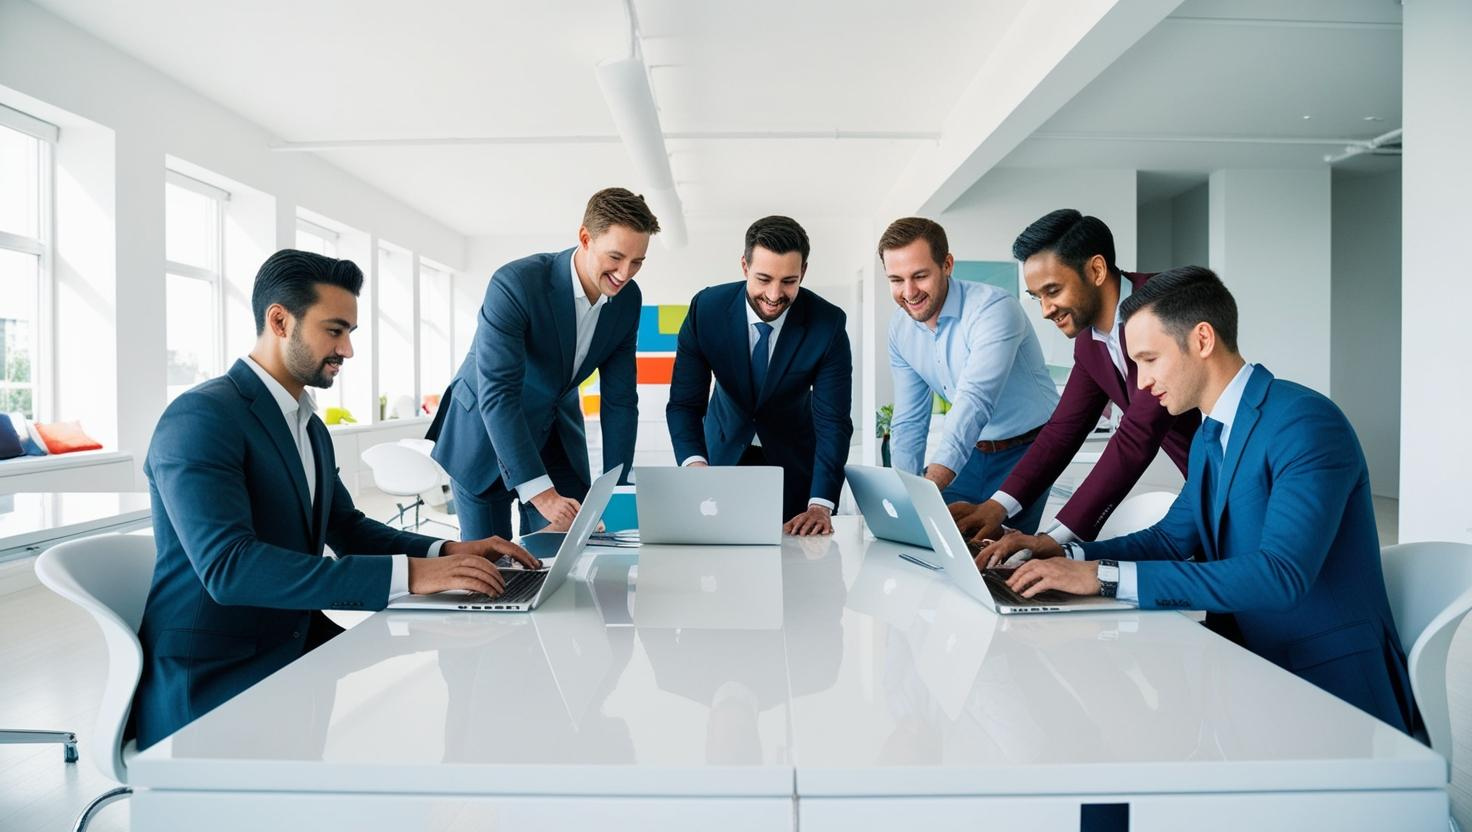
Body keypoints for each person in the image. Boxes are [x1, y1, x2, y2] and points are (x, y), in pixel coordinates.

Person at [133, 250, 537, 750]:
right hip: (213, 685)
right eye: (335, 329)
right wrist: (411, 576)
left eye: (350, 332)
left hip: (296, 654)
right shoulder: (200, 418)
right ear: (279, 320)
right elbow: (229, 569)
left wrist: (446, 553)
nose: (347, 349)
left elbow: (346, 528)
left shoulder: (309, 425)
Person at [989, 266, 1418, 734]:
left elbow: (1280, 575)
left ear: (1203, 339)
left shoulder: (1306, 423)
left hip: (1330, 690)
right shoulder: (1211, 434)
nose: (1142, 383)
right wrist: (1062, 555)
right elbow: (1171, 540)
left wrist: (1103, 578)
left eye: (1150, 360)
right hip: (1247, 671)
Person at [950, 209, 1200, 550]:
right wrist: (997, 506)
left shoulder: (1163, 308)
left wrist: (1054, 538)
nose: (1046, 310)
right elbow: (1062, 431)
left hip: (1241, 475)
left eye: (1053, 290)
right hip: (1203, 483)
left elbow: (1137, 436)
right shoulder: (1088, 341)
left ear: (1096, 270)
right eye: (1038, 297)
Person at [428, 188, 658, 539]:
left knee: (571, 550)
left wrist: (617, 485)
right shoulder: (516, 283)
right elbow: (499, 394)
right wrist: (541, 494)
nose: (625, 273)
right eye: (616, 257)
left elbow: (620, 400)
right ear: (585, 238)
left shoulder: (627, 300)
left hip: (555, 432)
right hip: (483, 432)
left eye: (638, 261)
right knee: (493, 568)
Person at [666, 216, 852, 534]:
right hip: (718, 461)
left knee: (794, 574)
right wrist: (694, 465)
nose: (774, 294)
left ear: (803, 272)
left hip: (793, 466)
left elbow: (832, 422)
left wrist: (820, 505)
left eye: (789, 281)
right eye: (763, 279)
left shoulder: (828, 324)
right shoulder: (706, 309)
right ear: (744, 266)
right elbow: (684, 403)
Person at [882, 217, 1058, 530]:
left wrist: (930, 485)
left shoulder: (993, 309)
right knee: (933, 536)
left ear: (947, 264)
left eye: (920, 276)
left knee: (997, 553)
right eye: (896, 280)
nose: (908, 292)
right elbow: (910, 419)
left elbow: (974, 400)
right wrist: (906, 494)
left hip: (1029, 449)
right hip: (972, 453)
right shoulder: (900, 329)